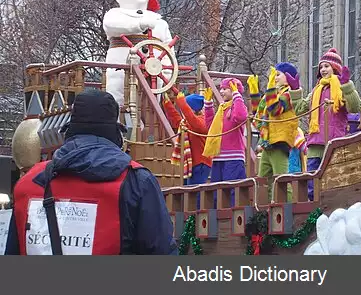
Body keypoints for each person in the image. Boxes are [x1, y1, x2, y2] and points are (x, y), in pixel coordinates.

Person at [5, 89, 177, 255]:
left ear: (68, 130)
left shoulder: (29, 183)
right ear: (116, 134)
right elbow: (161, 252)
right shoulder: (137, 181)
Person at [295, 48, 361, 200]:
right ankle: (313, 211)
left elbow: (355, 107)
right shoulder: (316, 90)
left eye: (327, 66)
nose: (323, 69)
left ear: (335, 68)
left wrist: (347, 86)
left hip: (334, 141)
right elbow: (299, 108)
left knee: (333, 178)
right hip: (314, 142)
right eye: (321, 66)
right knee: (312, 182)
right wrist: (294, 91)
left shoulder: (341, 87)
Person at [249, 63, 300, 202]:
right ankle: (265, 211)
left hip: (280, 141)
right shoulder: (271, 95)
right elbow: (258, 115)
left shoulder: (289, 94)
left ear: (288, 78)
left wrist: (270, 87)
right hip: (268, 142)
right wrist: (254, 93)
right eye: (274, 75)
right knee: (263, 180)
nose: (275, 78)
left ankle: (288, 208)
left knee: (281, 180)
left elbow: (274, 109)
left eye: (278, 75)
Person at [203, 78, 248, 185]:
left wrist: (237, 95)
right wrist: (208, 106)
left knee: (232, 189)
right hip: (218, 156)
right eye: (221, 89)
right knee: (217, 191)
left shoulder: (239, 106)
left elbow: (240, 117)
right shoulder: (222, 108)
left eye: (225, 89)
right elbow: (210, 127)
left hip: (234, 156)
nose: (221, 91)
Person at [163, 91, 211, 186]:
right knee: (187, 191)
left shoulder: (202, 121)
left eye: (185, 108)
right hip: (191, 164)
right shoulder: (188, 122)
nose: (183, 111)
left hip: (201, 163)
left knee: (196, 193)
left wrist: (181, 101)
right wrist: (167, 103)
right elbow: (176, 120)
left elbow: (191, 117)